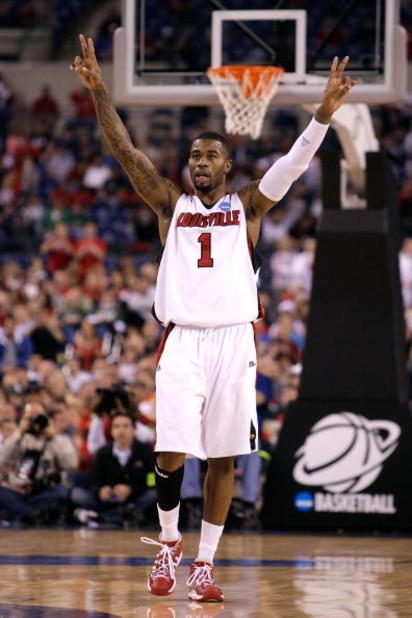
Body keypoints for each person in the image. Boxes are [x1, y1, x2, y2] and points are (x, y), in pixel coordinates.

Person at [71, 34, 355, 602]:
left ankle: (204, 562)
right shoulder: (167, 204)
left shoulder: (247, 206)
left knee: (225, 455)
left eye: (210, 156)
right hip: (181, 340)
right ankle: (171, 541)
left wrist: (322, 117)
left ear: (227, 165)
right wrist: (102, 94)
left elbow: (293, 166)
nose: (199, 163)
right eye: (194, 156)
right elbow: (126, 152)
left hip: (234, 341)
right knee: (170, 452)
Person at [71, 409, 156, 528]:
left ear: (134, 430)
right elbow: (94, 480)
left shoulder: (146, 452)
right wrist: (100, 491)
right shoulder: (102, 453)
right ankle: (122, 517)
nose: (121, 431)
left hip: (134, 499)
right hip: (108, 500)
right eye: (117, 427)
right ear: (111, 431)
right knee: (77, 494)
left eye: (126, 426)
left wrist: (131, 490)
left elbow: (152, 481)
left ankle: (103, 518)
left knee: (154, 494)